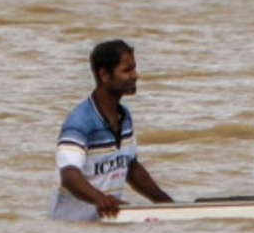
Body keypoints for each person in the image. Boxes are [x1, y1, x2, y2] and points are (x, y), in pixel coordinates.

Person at [50, 39, 175, 222]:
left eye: (134, 68)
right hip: (71, 232)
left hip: (104, 227)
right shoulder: (79, 123)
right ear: (104, 75)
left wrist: (167, 205)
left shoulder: (124, 117)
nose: (135, 75)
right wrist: (102, 200)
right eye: (127, 70)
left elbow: (131, 169)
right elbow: (69, 176)